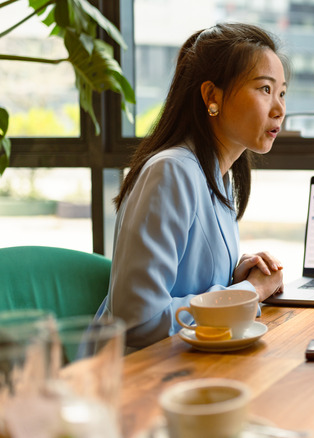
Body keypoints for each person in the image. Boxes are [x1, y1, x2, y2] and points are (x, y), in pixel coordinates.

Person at [94, 23, 289, 352]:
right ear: (212, 96)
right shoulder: (171, 172)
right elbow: (139, 323)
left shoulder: (218, 179)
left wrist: (234, 281)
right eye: (265, 90)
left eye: (282, 92)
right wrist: (249, 293)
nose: (279, 109)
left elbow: (189, 290)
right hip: (135, 379)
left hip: (187, 366)